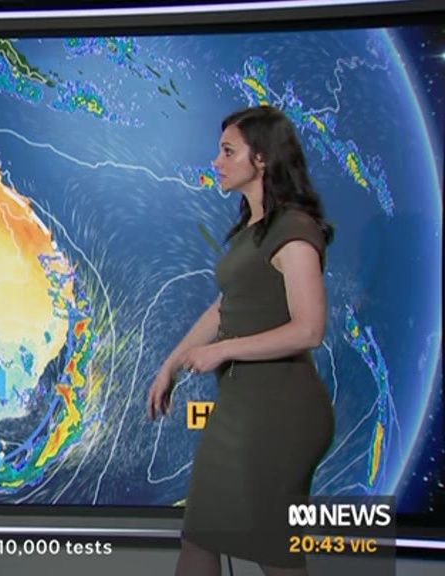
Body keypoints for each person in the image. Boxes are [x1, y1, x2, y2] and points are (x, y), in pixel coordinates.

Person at [146, 105, 336, 576]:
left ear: (262, 159)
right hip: (241, 408)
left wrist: (223, 350)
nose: (217, 162)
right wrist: (171, 364)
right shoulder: (251, 231)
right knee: (200, 537)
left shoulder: (294, 230)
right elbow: (223, 308)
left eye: (228, 152)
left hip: (280, 413)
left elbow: (309, 329)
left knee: (273, 553)